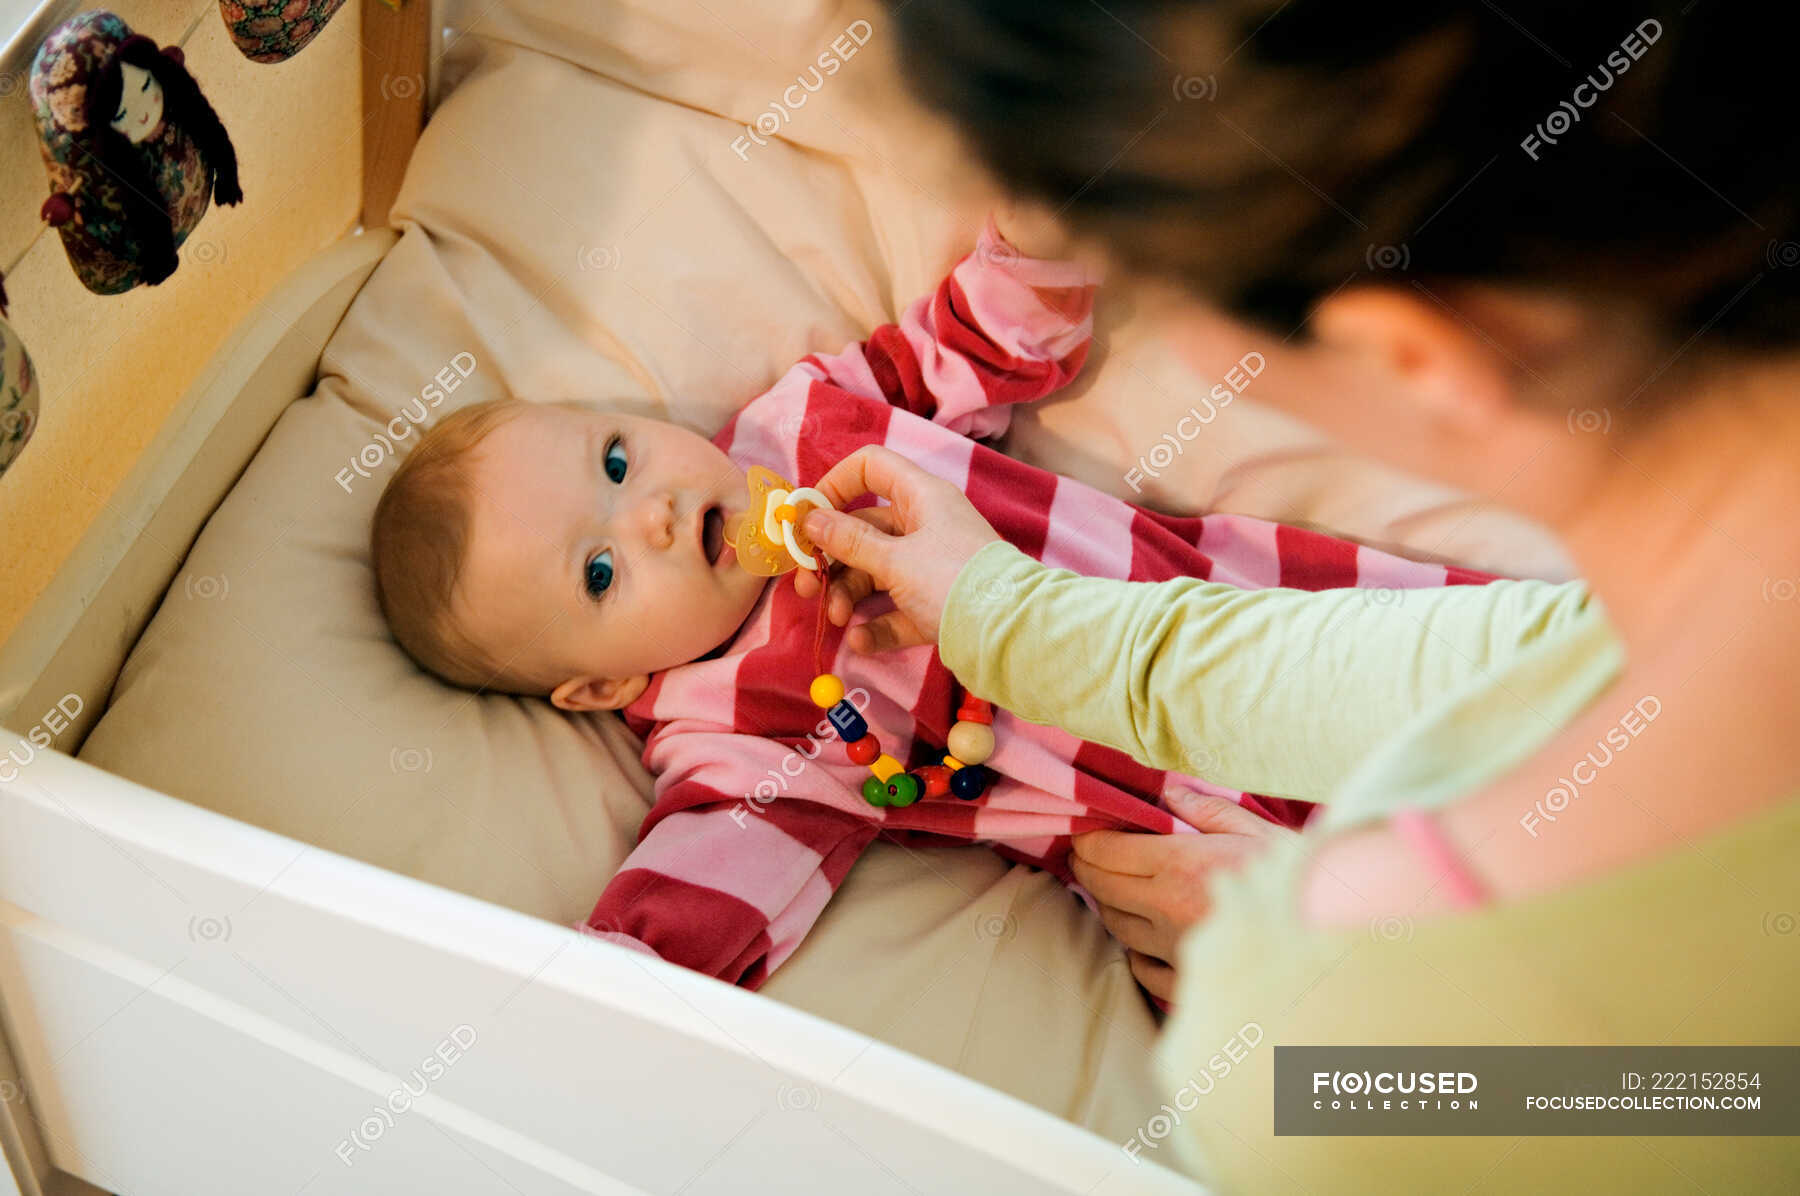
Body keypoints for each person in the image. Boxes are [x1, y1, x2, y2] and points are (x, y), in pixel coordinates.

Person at [791, 0, 1800, 1189]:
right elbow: (1511, 659)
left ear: (1412, 356)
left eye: (1150, 281)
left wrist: (1330, 999)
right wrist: (1004, 614)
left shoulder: (1332, 1061)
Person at [367, 214, 1580, 988]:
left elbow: (970, 343)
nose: (644, 514)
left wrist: (1042, 244)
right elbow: (717, 878)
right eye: (598, 572)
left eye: (619, 458)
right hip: (1186, 823)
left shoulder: (804, 425)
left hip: (1230, 603)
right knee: (1486, 943)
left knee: (1543, 707)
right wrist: (618, 982)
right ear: (604, 686)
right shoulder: (728, 733)